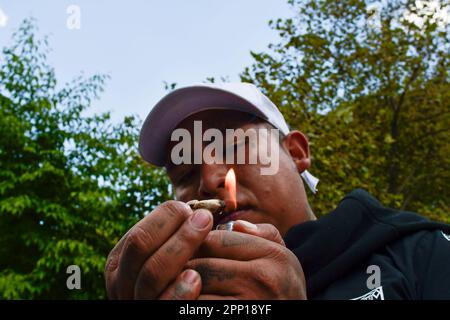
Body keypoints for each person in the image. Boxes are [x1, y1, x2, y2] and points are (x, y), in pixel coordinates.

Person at [104, 82, 450, 300]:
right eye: (186, 172)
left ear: (296, 153)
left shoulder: (420, 253)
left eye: (232, 147)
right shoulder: (179, 292)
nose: (210, 180)